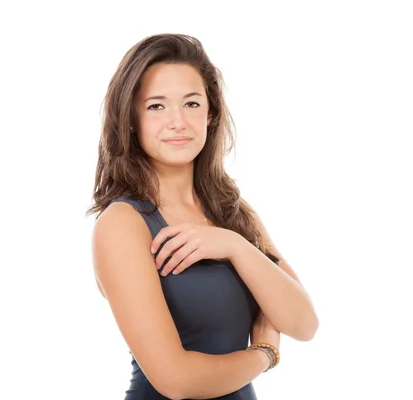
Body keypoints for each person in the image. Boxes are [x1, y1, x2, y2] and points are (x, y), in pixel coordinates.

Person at [86, 33, 319, 399]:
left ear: (210, 114)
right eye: (156, 106)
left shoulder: (234, 214)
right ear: (130, 119)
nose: (178, 121)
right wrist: (263, 356)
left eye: (191, 103)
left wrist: (234, 246)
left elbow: (303, 323)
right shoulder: (123, 223)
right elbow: (175, 380)